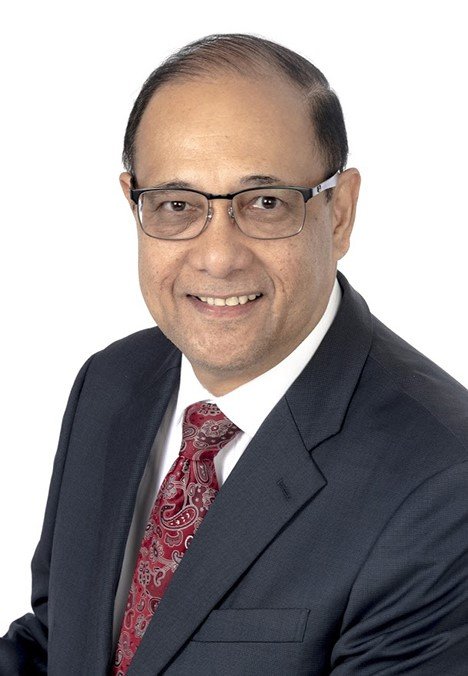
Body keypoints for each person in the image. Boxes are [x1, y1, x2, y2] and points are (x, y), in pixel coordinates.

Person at [1, 32, 467, 676]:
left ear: (339, 213)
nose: (218, 257)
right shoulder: (110, 383)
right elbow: (59, 643)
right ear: (134, 205)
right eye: (176, 204)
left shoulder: (443, 481)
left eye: (266, 203)